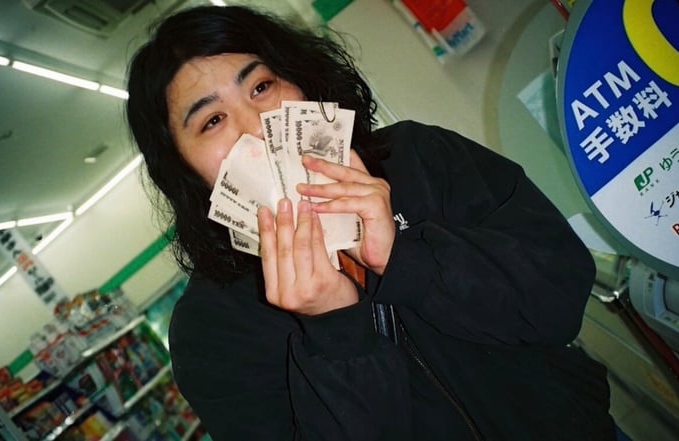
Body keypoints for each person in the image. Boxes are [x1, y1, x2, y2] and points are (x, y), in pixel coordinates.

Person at [126, 5, 615, 440]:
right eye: (211, 121)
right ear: (183, 167)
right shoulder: (209, 329)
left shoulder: (418, 157)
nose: (256, 126)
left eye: (261, 86)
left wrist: (406, 259)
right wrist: (335, 328)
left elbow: (560, 294)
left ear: (298, 80)